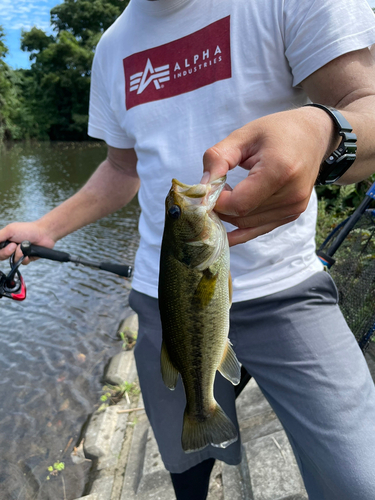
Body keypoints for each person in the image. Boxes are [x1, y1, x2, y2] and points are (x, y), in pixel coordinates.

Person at [2, 0, 375, 498]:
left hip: (288, 289)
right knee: (186, 465)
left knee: (360, 479)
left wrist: (323, 129)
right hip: (164, 300)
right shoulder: (113, 47)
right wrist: (46, 227)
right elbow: (121, 169)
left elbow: (364, 101)